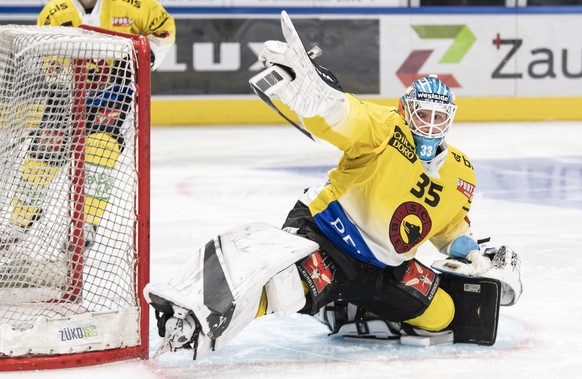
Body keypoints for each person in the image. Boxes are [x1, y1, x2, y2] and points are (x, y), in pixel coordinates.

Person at [144, 11, 522, 359]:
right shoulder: (386, 128)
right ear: (405, 109)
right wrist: (320, 103)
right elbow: (348, 118)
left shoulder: (461, 171)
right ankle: (196, 317)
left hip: (385, 268)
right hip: (329, 236)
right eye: (422, 113)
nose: (430, 123)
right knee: (285, 290)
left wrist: (471, 252)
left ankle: (348, 308)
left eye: (439, 116)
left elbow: (450, 224)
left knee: (443, 315)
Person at [0, 0, 175, 250]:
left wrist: (147, 57)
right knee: (42, 156)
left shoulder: (136, 4)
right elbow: (47, 58)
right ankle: (20, 220)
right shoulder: (54, 11)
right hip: (66, 95)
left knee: (99, 151)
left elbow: (163, 28)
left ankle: (87, 224)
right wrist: (62, 73)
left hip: (115, 94)